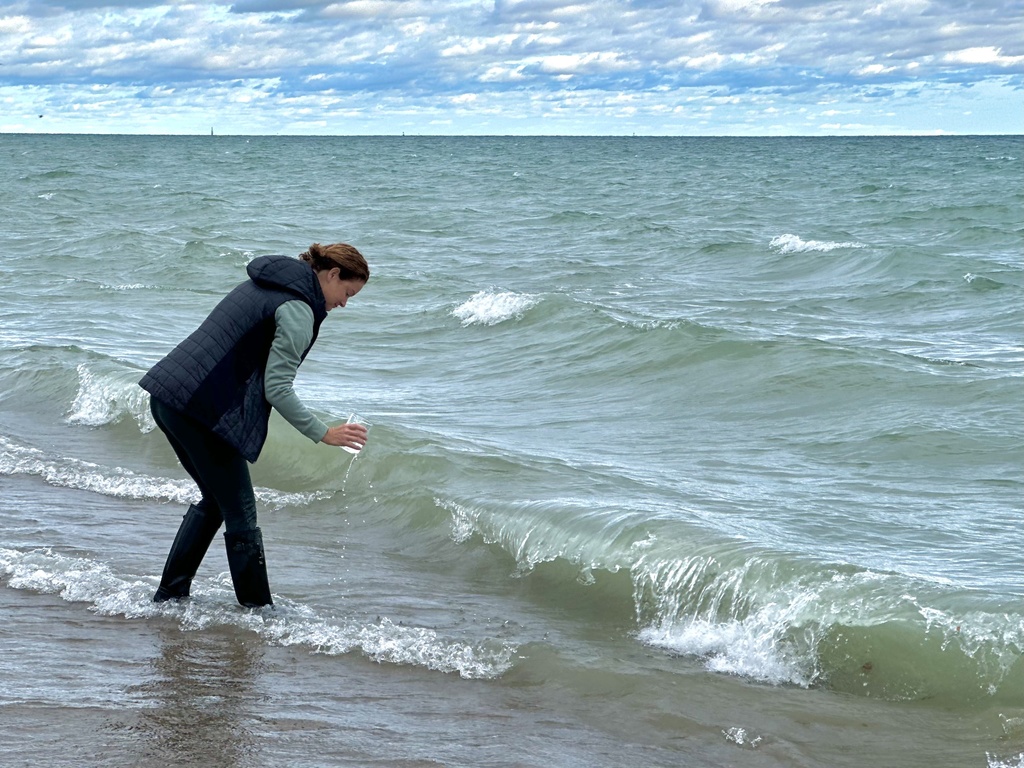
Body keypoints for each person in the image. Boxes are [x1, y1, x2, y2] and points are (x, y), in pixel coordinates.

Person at [140, 243, 369, 608]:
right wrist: (324, 432)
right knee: (241, 510)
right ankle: (258, 614)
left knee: (217, 501)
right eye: (347, 293)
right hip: (199, 411)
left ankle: (169, 597)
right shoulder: (297, 308)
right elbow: (276, 388)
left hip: (168, 397)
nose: (344, 303)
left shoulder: (268, 282)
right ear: (332, 275)